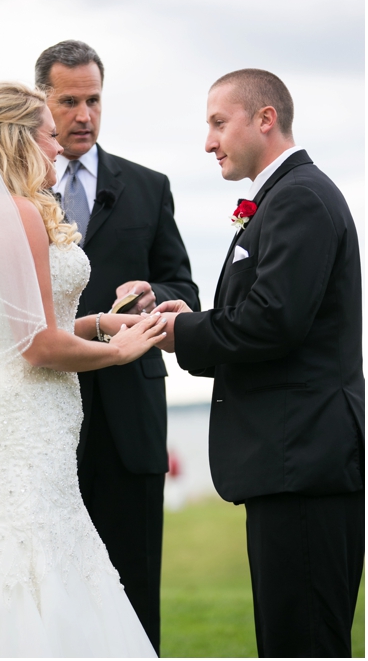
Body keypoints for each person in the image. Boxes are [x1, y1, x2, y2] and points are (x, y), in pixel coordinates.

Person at [0, 81, 168, 657]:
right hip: (22, 415)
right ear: (20, 139)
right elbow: (37, 346)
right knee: (29, 544)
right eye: (50, 135)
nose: (59, 148)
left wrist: (105, 324)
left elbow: (19, 328)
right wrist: (119, 353)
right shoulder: (16, 214)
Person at [154, 69, 364, 658]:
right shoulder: (282, 197)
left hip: (305, 462)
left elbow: (274, 320)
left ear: (264, 118)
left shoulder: (298, 197)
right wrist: (187, 315)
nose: (208, 141)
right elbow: (269, 310)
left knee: (305, 642)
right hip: (292, 463)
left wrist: (182, 332)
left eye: (219, 123)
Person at [33, 40, 199, 652]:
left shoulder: (149, 187)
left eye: (93, 100)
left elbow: (185, 286)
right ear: (42, 104)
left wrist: (156, 293)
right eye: (69, 101)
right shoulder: (20, 193)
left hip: (131, 414)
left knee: (134, 591)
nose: (83, 115)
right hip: (47, 412)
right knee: (56, 591)